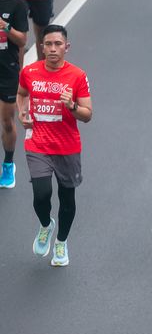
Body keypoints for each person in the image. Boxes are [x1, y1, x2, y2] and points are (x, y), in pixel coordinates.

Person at [16, 24, 91, 266]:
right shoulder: (29, 72)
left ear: (66, 47)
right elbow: (21, 93)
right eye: (48, 44)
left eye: (58, 44)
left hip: (67, 147)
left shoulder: (77, 75)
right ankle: (46, 225)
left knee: (67, 198)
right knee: (41, 194)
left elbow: (87, 114)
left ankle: (61, 242)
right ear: (41, 46)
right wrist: (22, 112)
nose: (52, 48)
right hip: (37, 143)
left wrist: (72, 106)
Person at [0, 0, 29, 188]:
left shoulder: (16, 4)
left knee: (7, 122)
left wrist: (5, 26)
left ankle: (8, 164)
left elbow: (22, 41)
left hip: (6, 70)